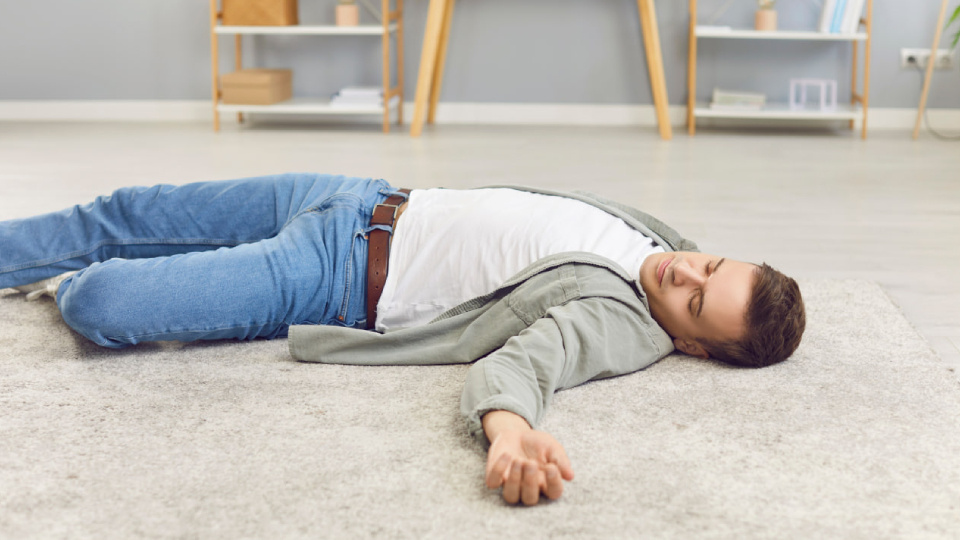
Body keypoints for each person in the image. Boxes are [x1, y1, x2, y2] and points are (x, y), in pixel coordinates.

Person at [0, 173, 805, 506]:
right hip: (355, 193)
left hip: (335, 275)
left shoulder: (623, 322)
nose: (684, 273)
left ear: (694, 346)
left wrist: (511, 431)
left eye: (697, 301)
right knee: (125, 211)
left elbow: (532, 362)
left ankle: (57, 280)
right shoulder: (664, 241)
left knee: (103, 301)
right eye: (710, 265)